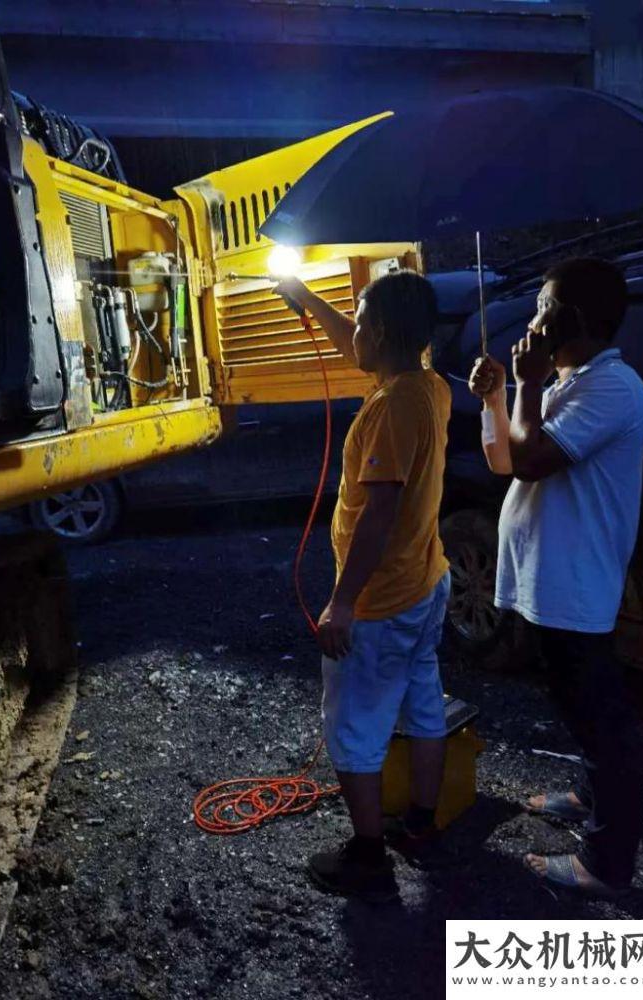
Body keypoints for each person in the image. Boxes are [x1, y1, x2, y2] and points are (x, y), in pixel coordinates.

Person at [468, 256, 643, 896]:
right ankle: (590, 793)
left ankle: (607, 862)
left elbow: (530, 464)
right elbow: (500, 458)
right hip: (546, 580)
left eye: (544, 306)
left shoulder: (612, 387)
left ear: (572, 318)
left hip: (575, 582)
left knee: (602, 718)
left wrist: (524, 385)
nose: (535, 318)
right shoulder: (568, 384)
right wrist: (497, 393)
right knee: (575, 703)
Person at [278, 270, 452, 900]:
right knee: (423, 700)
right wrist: (305, 298)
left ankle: (369, 857)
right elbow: (361, 348)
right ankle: (423, 824)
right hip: (425, 580)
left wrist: (342, 604)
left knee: (353, 724)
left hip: (382, 602)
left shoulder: (390, 408)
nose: (350, 329)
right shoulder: (425, 386)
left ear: (377, 332)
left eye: (357, 320)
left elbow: (379, 513)